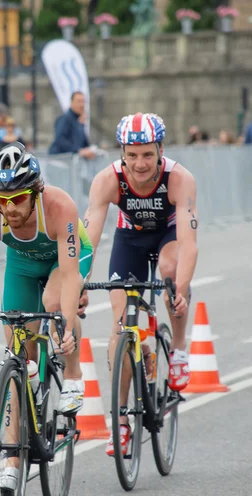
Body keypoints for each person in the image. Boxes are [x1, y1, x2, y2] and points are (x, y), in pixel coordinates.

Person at [83, 112, 198, 456]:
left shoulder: (179, 179)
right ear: (121, 153)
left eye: (148, 154)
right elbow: (90, 237)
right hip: (130, 238)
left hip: (168, 236)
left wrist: (181, 286)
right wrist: (78, 282)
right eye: (131, 155)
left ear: (160, 149)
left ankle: (177, 349)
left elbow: (189, 242)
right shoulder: (108, 180)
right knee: (121, 328)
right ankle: (119, 420)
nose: (140, 163)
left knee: (169, 268)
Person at [0, 142, 90, 491]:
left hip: (66, 259)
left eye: (17, 199)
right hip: (23, 264)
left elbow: (72, 274)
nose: (9, 208)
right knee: (17, 353)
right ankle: (12, 459)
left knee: (54, 299)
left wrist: (68, 325)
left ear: (36, 191)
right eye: (1, 199)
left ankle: (72, 374)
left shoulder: (59, 207)